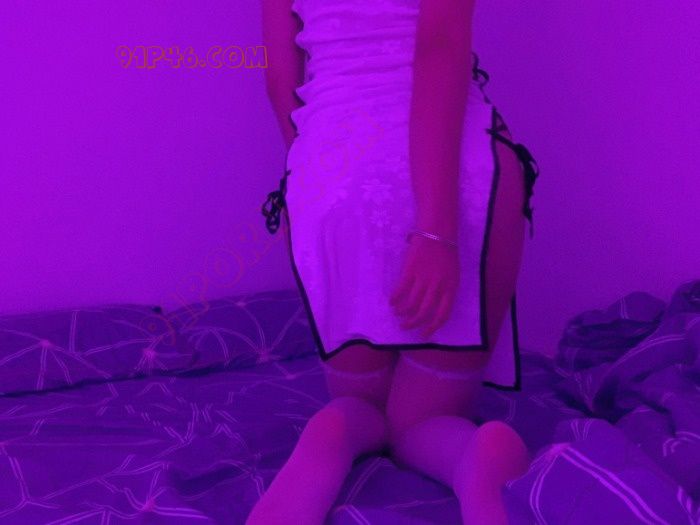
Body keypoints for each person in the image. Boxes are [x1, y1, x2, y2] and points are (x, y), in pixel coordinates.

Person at [252, 0, 539, 522]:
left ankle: (334, 432)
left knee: (363, 405)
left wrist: (315, 183)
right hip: (459, 169)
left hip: (334, 166)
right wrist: (437, 232)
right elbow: (440, 44)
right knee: (424, 420)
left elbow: (280, 79)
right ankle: (469, 455)